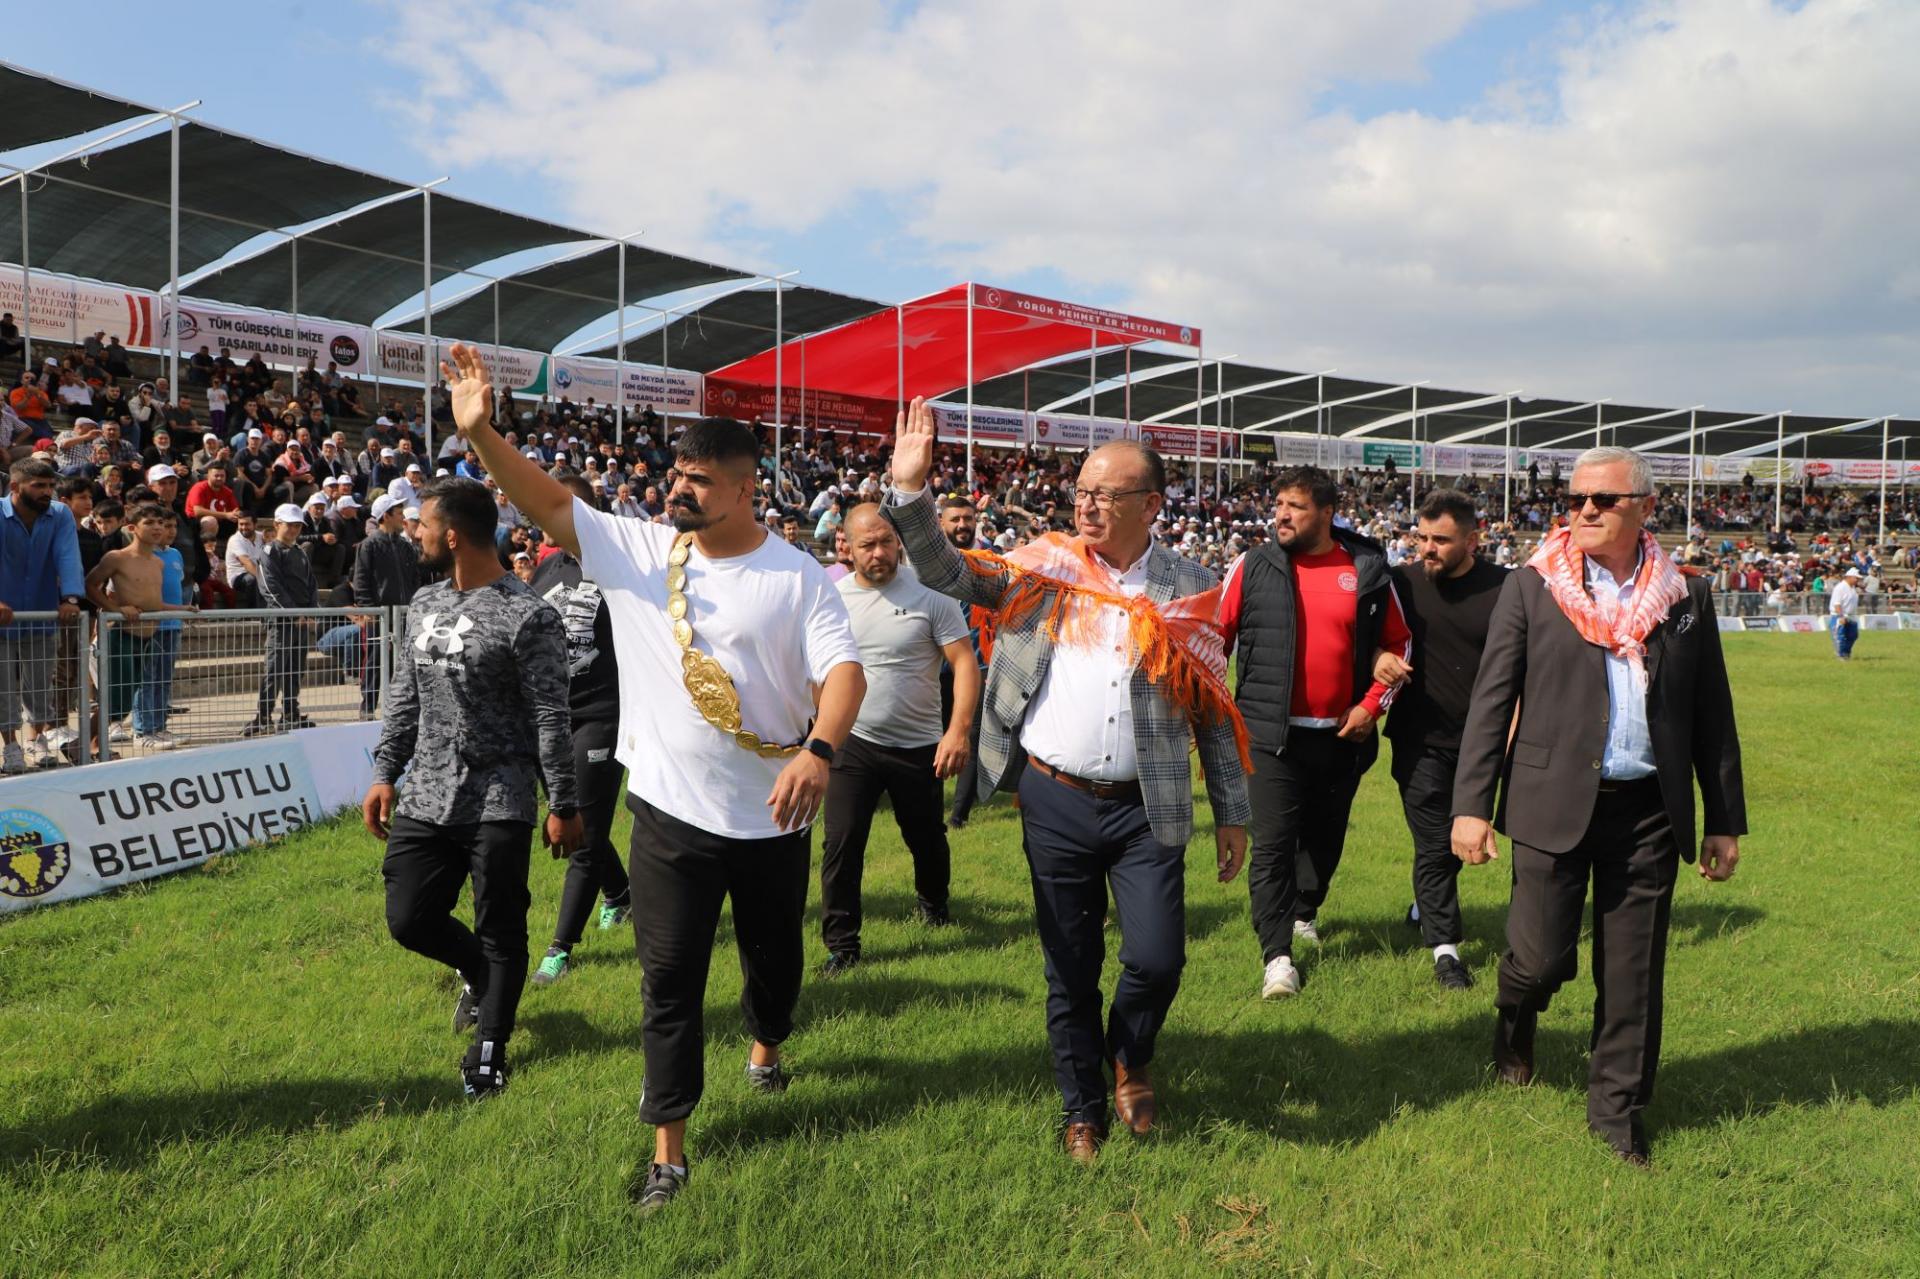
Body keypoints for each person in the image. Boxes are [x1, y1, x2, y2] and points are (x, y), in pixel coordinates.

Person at [437, 343, 863, 1213]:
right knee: (667, 979)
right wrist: (482, 434)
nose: (679, 487)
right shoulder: (637, 549)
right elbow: (549, 499)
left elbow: (844, 674)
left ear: (746, 488)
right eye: (676, 471)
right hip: (668, 812)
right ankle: (669, 1149)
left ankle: (769, 1042)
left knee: (773, 968)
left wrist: (820, 749)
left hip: (774, 815)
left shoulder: (798, 578)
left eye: (699, 478)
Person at [885, 397, 1250, 1163]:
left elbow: (1214, 707)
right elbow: (945, 569)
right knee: (1069, 961)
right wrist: (911, 491)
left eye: (1105, 494)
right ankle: (1082, 1104)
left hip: (1148, 806)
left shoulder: (1188, 583)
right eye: (1080, 491)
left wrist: (1233, 812)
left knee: (1157, 959)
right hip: (1052, 798)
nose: (1086, 504)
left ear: (1150, 505)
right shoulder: (1044, 567)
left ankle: (1131, 1052)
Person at [1452, 446, 1746, 1167]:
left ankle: (1616, 1112)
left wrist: (1725, 818)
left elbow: (1711, 712)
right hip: (1550, 801)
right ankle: (1516, 1015)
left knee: (1633, 973)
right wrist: (1471, 804)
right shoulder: (1534, 587)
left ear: (1646, 508)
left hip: (1649, 808)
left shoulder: (1685, 595)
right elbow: (1493, 699)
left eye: (1603, 499)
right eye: (1578, 497)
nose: (1584, 509)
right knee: (1540, 958)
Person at [363, 477, 581, 1101]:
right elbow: (406, 698)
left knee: (501, 922)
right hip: (427, 793)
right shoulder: (424, 603)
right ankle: (481, 973)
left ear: (452, 534)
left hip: (501, 795)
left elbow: (550, 716)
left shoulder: (528, 614)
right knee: (409, 918)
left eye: (423, 525)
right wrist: (385, 772)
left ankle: (490, 1044)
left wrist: (563, 804)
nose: (415, 534)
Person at [1218, 465, 1410, 998]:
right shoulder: (1252, 565)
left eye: (1295, 506)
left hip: (1343, 737)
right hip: (1268, 737)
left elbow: (1400, 645)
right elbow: (1216, 641)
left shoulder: (1368, 570)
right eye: (1278, 504)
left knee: (1324, 839)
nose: (1281, 514)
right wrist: (1210, 714)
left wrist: (1372, 707)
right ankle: (1277, 958)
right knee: (1274, 845)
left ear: (1326, 513)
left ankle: (1306, 909)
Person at [818, 503, 977, 974]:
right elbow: (817, 670)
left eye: (887, 541)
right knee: (842, 843)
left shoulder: (932, 594)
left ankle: (934, 904)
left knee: (925, 839)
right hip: (854, 742)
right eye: (868, 544)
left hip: (919, 746)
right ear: (846, 546)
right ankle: (842, 945)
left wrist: (958, 732)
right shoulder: (834, 599)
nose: (880, 552)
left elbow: (964, 663)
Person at [1382, 490, 1508, 990]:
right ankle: (1446, 951)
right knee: (1435, 842)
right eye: (1421, 536)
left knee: (1461, 843)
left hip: (1483, 744)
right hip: (1418, 740)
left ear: (1473, 539)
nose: (1427, 548)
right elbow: (1374, 640)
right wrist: (1378, 659)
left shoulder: (1507, 588)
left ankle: (1425, 905)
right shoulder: (1401, 584)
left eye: (1441, 539)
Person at [527, 474, 634, 987]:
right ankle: (618, 893)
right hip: (550, 718)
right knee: (570, 817)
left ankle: (559, 948)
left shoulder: (621, 568)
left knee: (583, 831)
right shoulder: (548, 567)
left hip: (602, 716)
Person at [84, 502, 198, 753]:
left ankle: (89, 744)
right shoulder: (117, 557)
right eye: (149, 522)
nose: (157, 527)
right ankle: (86, 743)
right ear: (132, 527)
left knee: (125, 699)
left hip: (149, 635)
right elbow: (90, 585)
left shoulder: (158, 563)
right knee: (116, 699)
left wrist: (180, 609)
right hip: (123, 635)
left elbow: (152, 603)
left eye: (160, 522)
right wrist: (115, 609)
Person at [0, 459, 86, 772]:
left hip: (41, 610)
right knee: (3, 685)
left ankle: (37, 741)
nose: (46, 491)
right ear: (15, 487)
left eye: (49, 486)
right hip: (2, 616)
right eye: (38, 486)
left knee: (40, 683)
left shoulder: (60, 513)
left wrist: (71, 598)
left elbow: (67, 553)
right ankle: (10, 745)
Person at [935, 494, 992, 829]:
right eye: (955, 519)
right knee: (935, 734)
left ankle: (958, 815)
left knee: (969, 735)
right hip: (936, 667)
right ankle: (933, 802)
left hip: (979, 665)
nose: (962, 525)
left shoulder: (989, 563)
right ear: (942, 522)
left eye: (967, 519)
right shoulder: (927, 565)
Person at [245, 504, 318, 736]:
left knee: (296, 669)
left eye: (298, 525)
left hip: (301, 622)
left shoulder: (300, 552)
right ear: (277, 525)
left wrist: (311, 612)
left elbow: (311, 585)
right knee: (275, 670)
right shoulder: (269, 551)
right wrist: (293, 612)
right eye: (290, 525)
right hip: (281, 622)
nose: (294, 530)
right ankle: (263, 716)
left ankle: (290, 713)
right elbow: (269, 587)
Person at [351, 494, 423, 716]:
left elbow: (414, 578)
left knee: (404, 663)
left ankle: (400, 709)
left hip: (403, 613)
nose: (403, 516)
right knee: (375, 661)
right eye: (398, 512)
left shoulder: (404, 545)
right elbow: (361, 579)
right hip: (380, 614)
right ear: (386, 516)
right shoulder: (369, 545)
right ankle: (368, 708)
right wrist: (368, 609)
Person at [1829, 566, 1860, 660]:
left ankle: (1846, 652)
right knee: (1840, 636)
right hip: (1840, 615)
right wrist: (1841, 616)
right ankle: (1841, 654)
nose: (1857, 580)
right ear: (1849, 577)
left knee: (1853, 635)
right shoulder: (1840, 588)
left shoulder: (1853, 588)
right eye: (1856, 578)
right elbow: (1837, 604)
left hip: (1851, 616)